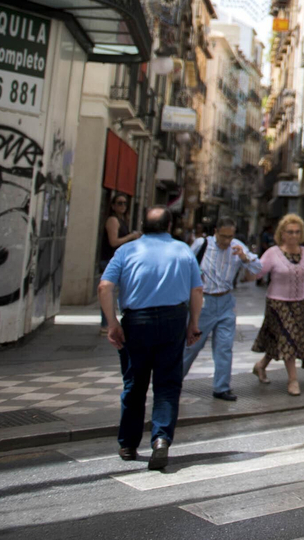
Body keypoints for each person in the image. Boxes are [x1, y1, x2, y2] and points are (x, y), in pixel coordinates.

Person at [98, 205, 202, 471]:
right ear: (169, 227)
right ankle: (160, 439)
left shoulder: (126, 250)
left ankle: (128, 444)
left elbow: (105, 287)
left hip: (137, 321)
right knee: (167, 384)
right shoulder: (183, 251)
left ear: (142, 226)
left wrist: (112, 324)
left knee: (134, 383)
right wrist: (194, 324)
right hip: (173, 321)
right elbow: (197, 291)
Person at [182, 217, 261, 402]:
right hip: (204, 301)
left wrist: (244, 257)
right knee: (192, 346)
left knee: (224, 346)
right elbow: (185, 264)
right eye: (223, 236)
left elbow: (259, 267)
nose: (226, 241)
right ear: (216, 231)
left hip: (226, 300)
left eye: (230, 236)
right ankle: (174, 381)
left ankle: (221, 387)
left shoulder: (237, 246)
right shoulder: (202, 244)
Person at [251, 212, 304, 397]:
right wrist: (245, 262)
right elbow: (257, 272)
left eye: (297, 232)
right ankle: (293, 380)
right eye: (290, 232)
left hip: (300, 304)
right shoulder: (273, 253)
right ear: (282, 233)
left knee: (280, 340)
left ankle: (261, 366)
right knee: (288, 340)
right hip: (278, 303)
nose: (294, 235)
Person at [99, 193, 139, 333]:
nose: (123, 206)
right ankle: (106, 324)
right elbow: (114, 242)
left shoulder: (123, 220)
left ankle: (109, 322)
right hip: (110, 261)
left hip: (118, 261)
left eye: (125, 203)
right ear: (113, 205)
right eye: (119, 203)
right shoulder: (113, 220)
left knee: (115, 292)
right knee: (108, 291)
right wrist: (131, 236)